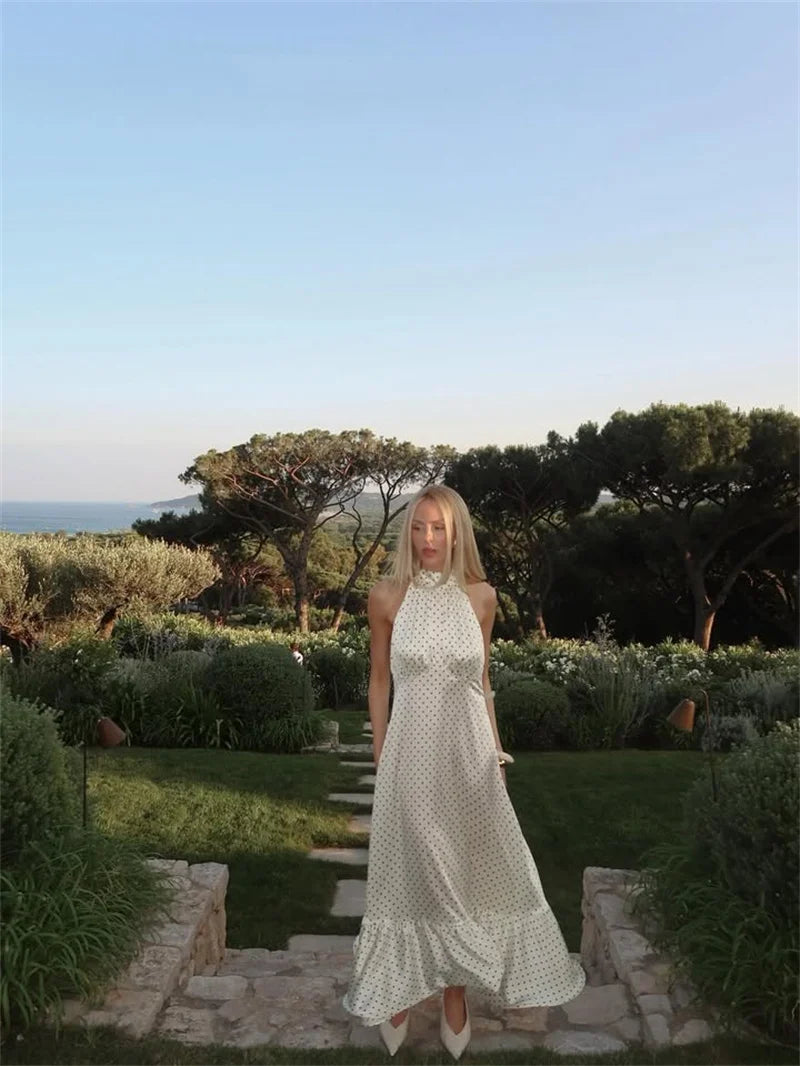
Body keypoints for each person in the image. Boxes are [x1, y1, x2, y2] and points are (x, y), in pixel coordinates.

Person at [341, 484, 586, 1059]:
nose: (428, 539)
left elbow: (482, 683)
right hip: (410, 755)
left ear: (457, 534)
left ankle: (455, 991)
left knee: (464, 872)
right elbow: (379, 681)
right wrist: (381, 753)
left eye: (439, 529)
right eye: (419, 528)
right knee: (414, 869)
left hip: (470, 753)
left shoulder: (482, 598)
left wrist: (497, 756)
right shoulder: (385, 596)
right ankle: (397, 985)